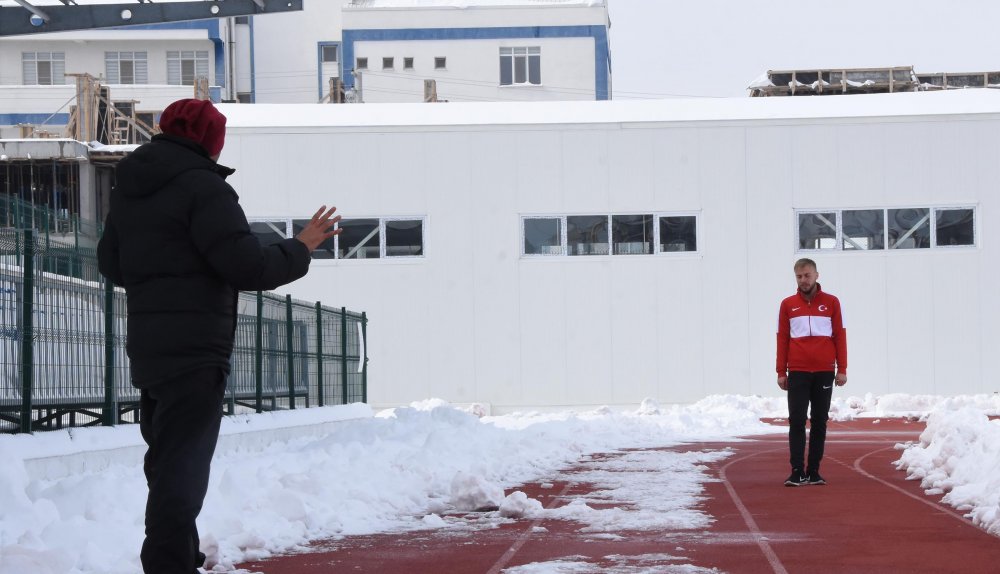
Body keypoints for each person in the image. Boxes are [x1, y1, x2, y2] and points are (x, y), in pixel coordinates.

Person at [97, 98, 341, 573]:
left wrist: (164, 273)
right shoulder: (204, 189)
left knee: (167, 460)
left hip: (148, 345)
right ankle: (168, 564)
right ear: (210, 140)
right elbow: (248, 265)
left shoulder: (130, 187)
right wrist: (300, 246)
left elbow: (112, 263)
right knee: (183, 466)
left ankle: (179, 557)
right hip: (196, 348)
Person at [775, 258, 847, 487]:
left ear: (816, 275)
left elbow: (840, 336)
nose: (803, 280)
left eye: (807, 275)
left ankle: (814, 470)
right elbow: (782, 339)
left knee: (819, 421)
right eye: (799, 276)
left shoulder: (832, 303)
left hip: (825, 371)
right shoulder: (787, 304)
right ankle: (796, 471)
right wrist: (781, 370)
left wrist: (842, 369)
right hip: (797, 371)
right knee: (796, 420)